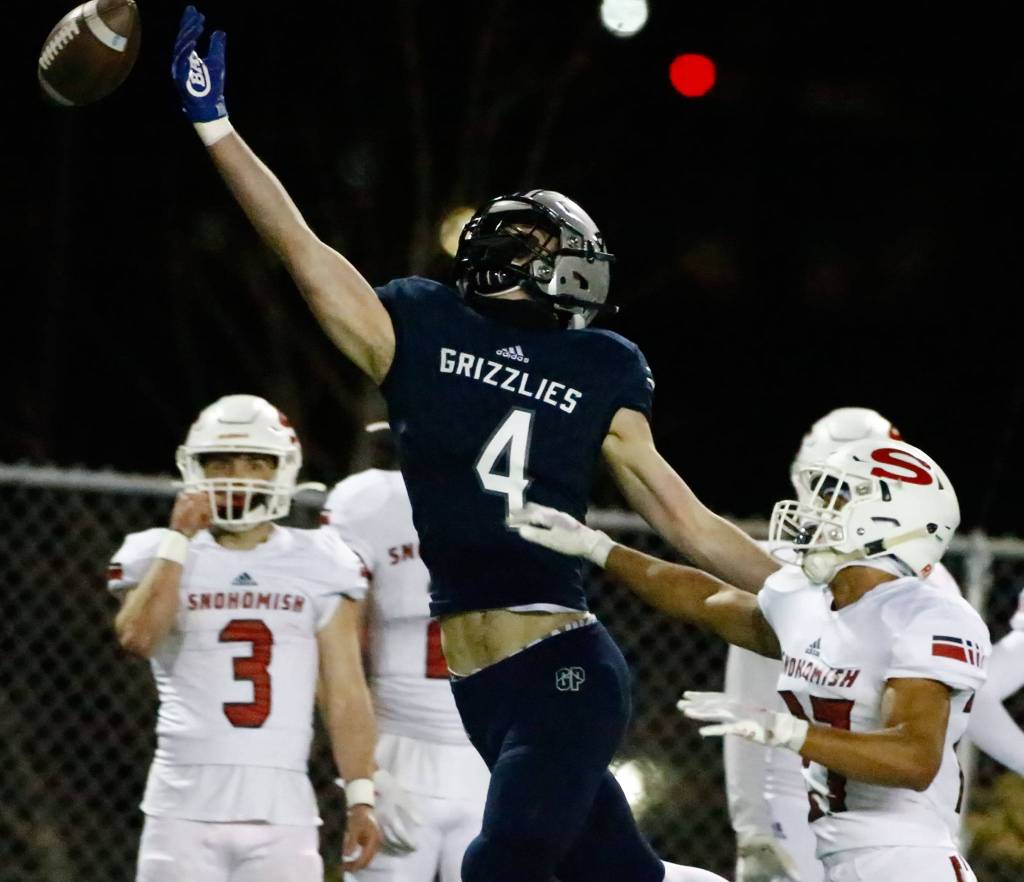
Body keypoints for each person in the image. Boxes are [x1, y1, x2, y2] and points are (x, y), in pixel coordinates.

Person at [171, 9, 773, 880]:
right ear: (506, 256)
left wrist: (807, 591)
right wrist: (215, 128)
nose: (575, 263)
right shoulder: (416, 324)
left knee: (507, 862)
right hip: (479, 687)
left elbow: (688, 520)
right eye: (552, 246)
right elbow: (299, 248)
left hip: (563, 662)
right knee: (615, 871)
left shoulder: (599, 361)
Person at [511, 436, 990, 882]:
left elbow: (914, 758)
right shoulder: (813, 603)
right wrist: (597, 547)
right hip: (836, 855)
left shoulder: (926, 614)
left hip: (909, 861)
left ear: (890, 519)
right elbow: (704, 599)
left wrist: (785, 731)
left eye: (840, 496)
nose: (816, 508)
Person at [109, 394, 381, 881]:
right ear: (196, 468)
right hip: (181, 808)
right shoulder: (159, 553)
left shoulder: (319, 559)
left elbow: (345, 692)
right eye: (222, 461)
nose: (238, 474)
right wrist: (178, 540)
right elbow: (137, 637)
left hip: (284, 812)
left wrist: (362, 796)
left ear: (281, 470)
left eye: (256, 462)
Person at [722, 407, 961, 882]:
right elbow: (745, 708)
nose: (822, 507)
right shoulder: (789, 572)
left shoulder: (933, 593)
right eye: (821, 489)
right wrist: (753, 825)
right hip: (802, 799)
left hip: (891, 820)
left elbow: (935, 741)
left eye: (840, 492)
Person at [322, 423, 491, 882]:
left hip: (486, 756)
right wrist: (365, 772)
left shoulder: (518, 500)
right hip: (402, 751)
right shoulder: (374, 501)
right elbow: (338, 650)